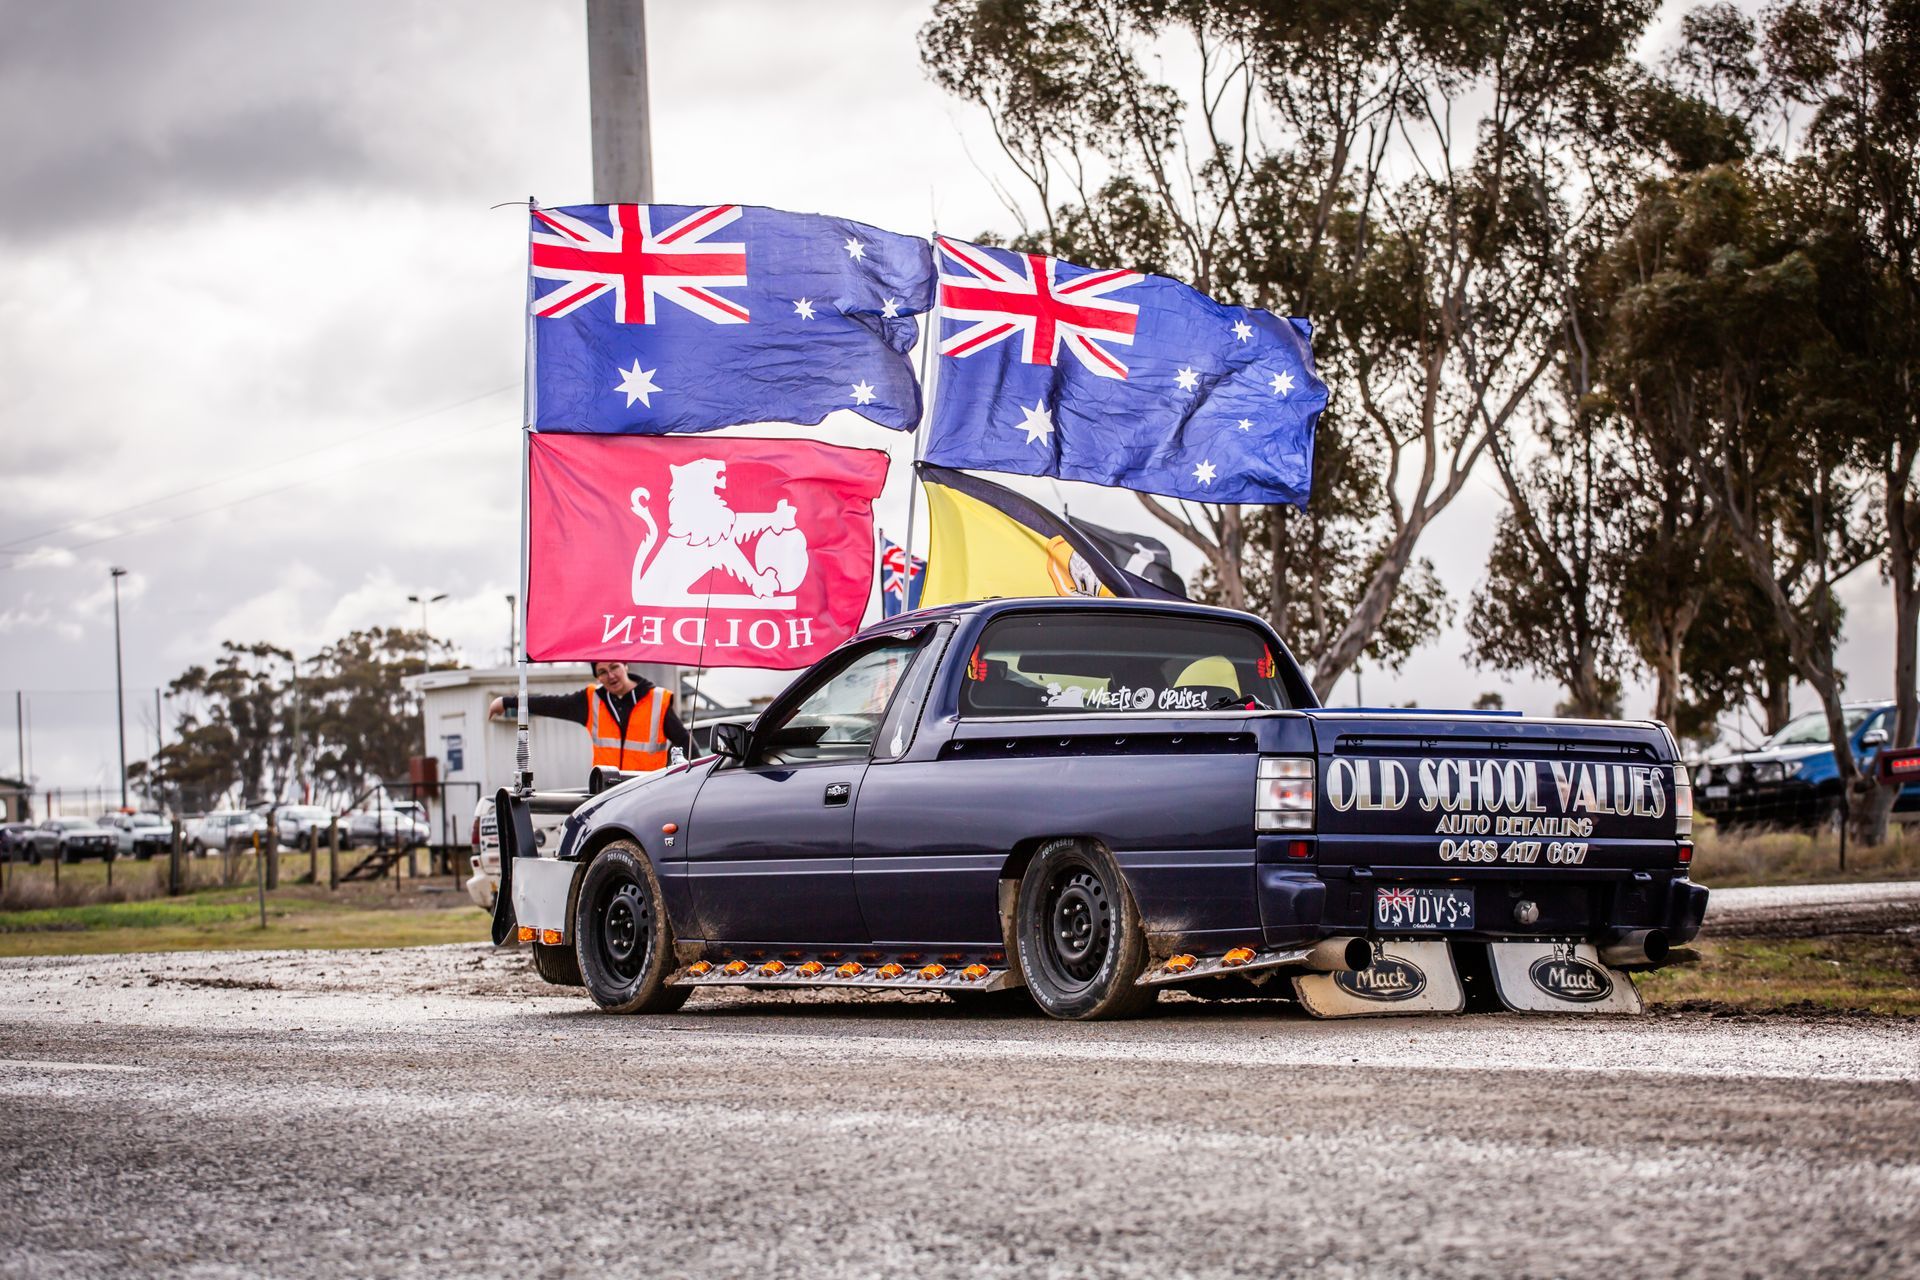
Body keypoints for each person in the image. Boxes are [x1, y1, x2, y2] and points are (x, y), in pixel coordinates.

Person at [488, 661, 692, 774]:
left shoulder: (657, 700)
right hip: (606, 791)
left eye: (614, 667)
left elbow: (685, 742)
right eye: (602, 672)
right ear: (597, 676)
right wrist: (508, 702)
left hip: (645, 790)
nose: (610, 675)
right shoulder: (591, 700)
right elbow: (550, 704)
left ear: (626, 665)